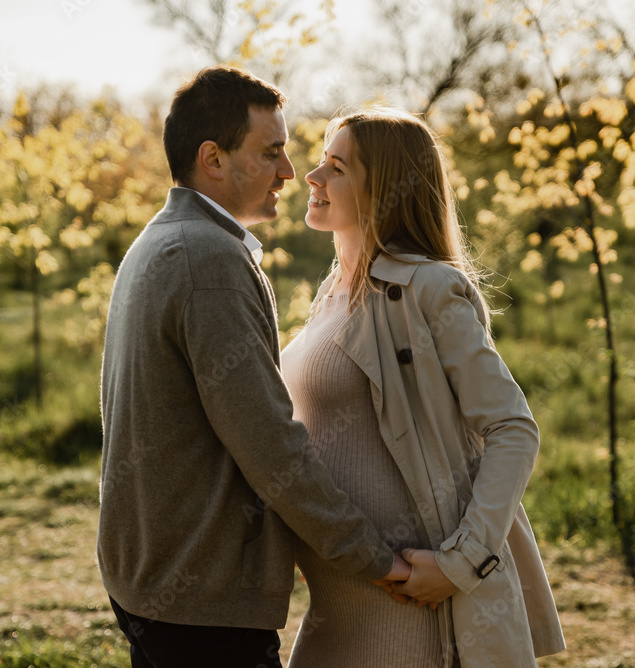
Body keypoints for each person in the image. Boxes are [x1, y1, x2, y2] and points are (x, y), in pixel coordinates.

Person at [96, 67, 411, 668]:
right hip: (200, 599)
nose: (290, 172)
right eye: (271, 153)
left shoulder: (162, 239)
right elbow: (269, 443)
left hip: (152, 580)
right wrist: (375, 559)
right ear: (213, 158)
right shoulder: (207, 258)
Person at [281, 107, 566, 667]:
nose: (312, 177)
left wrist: (460, 564)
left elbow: (512, 428)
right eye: (320, 161)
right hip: (335, 609)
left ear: (381, 189)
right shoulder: (329, 295)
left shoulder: (426, 291)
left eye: (336, 167)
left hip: (412, 612)